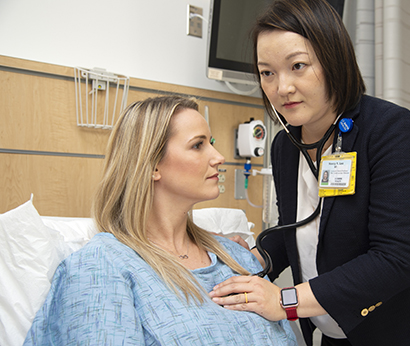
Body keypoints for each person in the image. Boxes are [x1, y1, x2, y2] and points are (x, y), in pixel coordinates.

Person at [209, 1, 410, 345]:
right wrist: (249, 258)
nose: (282, 87)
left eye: (298, 66)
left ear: (333, 61)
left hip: (409, 331)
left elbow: (396, 259)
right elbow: (301, 231)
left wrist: (284, 301)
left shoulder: (391, 131)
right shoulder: (286, 146)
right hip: (339, 331)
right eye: (267, 72)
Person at [23, 95, 297, 345]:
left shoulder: (235, 257)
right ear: (153, 165)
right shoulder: (101, 265)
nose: (218, 157)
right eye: (198, 145)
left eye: (210, 143)